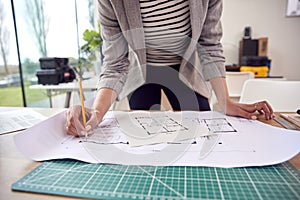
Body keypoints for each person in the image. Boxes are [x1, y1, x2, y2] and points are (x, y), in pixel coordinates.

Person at [66, 0, 274, 136]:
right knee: (142, 137)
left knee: (201, 133)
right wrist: (96, 112)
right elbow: (115, 62)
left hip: (188, 69)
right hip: (142, 71)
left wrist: (225, 102)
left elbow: (209, 45)